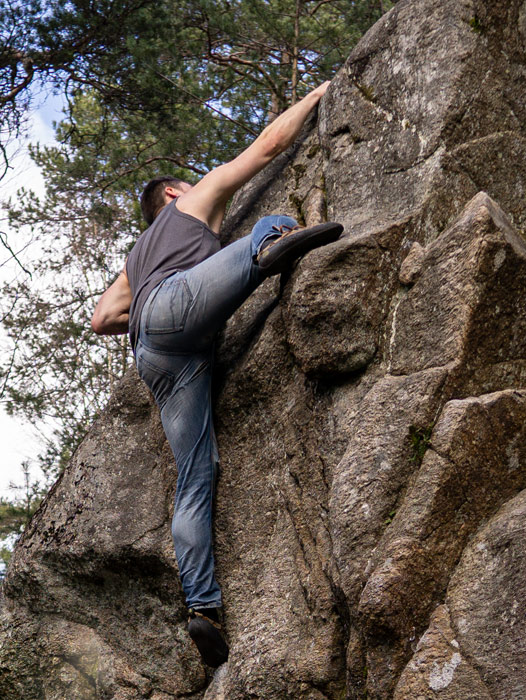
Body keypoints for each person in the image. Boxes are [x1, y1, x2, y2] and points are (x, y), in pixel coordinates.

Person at [89, 80, 344, 667]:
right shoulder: (189, 203)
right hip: (178, 317)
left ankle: (203, 609)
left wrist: (149, 310)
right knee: (269, 222)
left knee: (197, 473)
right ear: (175, 192)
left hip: (157, 358)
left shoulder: (137, 254)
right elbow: (265, 149)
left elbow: (103, 318)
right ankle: (267, 249)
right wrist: (319, 94)